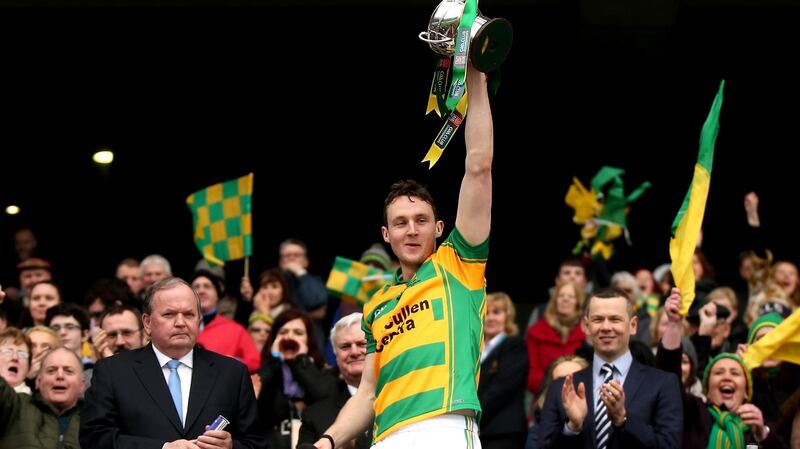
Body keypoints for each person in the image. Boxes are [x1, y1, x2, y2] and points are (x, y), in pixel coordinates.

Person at [312, 62, 493, 449]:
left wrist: (476, 76)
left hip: (445, 428)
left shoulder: (458, 266)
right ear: (386, 235)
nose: (411, 230)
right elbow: (366, 396)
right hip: (385, 438)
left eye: (421, 220)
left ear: (439, 229)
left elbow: (478, 165)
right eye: (401, 223)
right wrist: (327, 442)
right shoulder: (375, 306)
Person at [80, 277, 266, 449]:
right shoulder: (113, 371)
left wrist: (231, 446)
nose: (180, 323)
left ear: (199, 320)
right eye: (169, 314)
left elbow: (257, 442)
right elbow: (94, 438)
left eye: (189, 314)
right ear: (147, 323)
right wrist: (163, 448)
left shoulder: (232, 373)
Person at [537, 287, 683, 449]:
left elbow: (669, 446)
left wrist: (623, 420)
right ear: (586, 326)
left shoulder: (662, 384)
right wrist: (572, 427)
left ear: (633, 326)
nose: (606, 327)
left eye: (615, 319)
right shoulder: (562, 388)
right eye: (598, 320)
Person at [658, 288, 787, 448]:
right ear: (706, 388)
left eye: (735, 373)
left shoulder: (759, 428)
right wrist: (674, 323)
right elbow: (667, 377)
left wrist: (763, 434)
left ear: (747, 390)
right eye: (718, 372)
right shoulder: (693, 413)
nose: (727, 377)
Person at [299, 313, 370, 449]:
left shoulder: (403, 399)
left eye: (362, 344)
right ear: (336, 357)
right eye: (345, 346)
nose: (354, 352)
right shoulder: (315, 415)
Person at [0, 346, 84, 449]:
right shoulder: (16, 407)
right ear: (38, 381)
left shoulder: (97, 418)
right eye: (51, 371)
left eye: (68, 371)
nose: (60, 376)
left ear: (82, 384)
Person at [479, 292, 528, 449]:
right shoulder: (474, 350)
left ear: (508, 316)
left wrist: (473, 416)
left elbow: (501, 389)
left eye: (497, 312)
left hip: (503, 432)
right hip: (478, 431)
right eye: (486, 313)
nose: (491, 318)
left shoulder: (514, 346)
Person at [191, 270, 261, 373]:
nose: (201, 291)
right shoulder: (180, 326)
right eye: (196, 287)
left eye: (207, 286)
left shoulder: (236, 330)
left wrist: (232, 363)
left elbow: (254, 362)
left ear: (218, 295)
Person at [0, 327, 32, 394]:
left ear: (28, 369)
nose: (15, 357)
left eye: (22, 354)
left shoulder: (33, 402)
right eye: (8, 352)